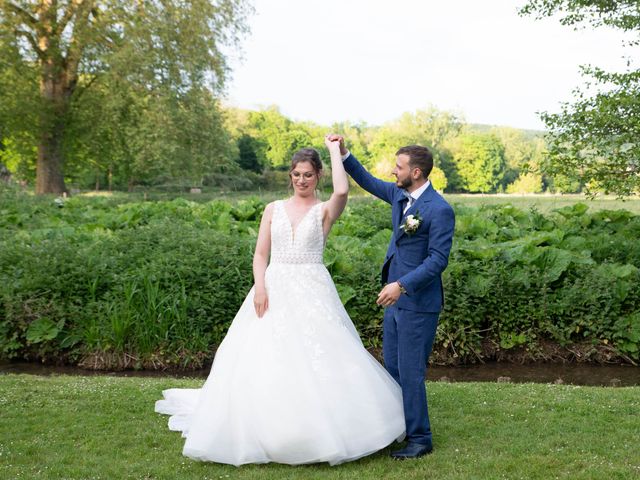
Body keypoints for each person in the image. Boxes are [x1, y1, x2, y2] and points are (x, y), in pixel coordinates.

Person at [155, 136, 405, 466]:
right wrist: (260, 287)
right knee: (265, 355)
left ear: (318, 176)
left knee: (320, 355)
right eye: (296, 174)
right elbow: (260, 254)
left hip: (312, 288)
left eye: (308, 174)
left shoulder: (324, 211)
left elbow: (343, 191)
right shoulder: (273, 209)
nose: (301, 180)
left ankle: (321, 426)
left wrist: (335, 150)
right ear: (290, 175)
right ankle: (266, 425)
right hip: (273, 286)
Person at [332, 135, 455, 459]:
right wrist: (344, 153)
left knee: (411, 372)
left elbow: (437, 260)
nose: (392, 171)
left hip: (418, 302)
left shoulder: (440, 210)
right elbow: (368, 181)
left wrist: (401, 285)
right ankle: (398, 428)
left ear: (416, 172)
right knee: (393, 368)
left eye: (398, 167)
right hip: (395, 300)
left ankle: (420, 438)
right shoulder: (400, 196)